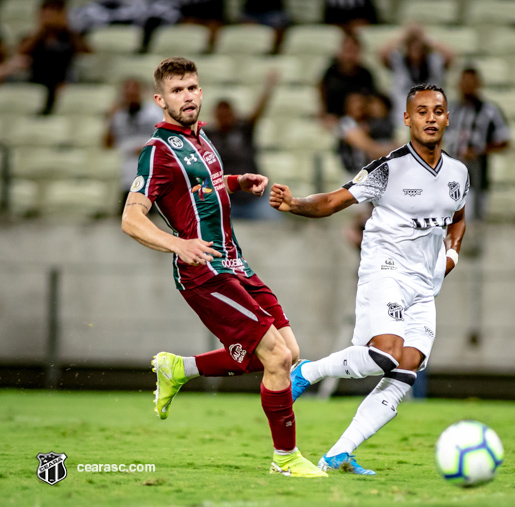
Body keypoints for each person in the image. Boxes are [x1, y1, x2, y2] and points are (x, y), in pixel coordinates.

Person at [120, 57, 325, 478]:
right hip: (204, 272)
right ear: (160, 99)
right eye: (177, 91)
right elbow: (131, 218)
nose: (188, 96)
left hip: (235, 262)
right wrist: (179, 244)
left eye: (192, 87)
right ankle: (285, 459)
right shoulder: (157, 152)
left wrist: (235, 182)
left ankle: (181, 368)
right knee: (276, 357)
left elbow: (199, 186)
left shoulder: (202, 138)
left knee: (290, 353)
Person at [269, 83, 468, 475]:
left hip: (425, 285)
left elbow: (458, 218)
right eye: (422, 112)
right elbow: (333, 201)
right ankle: (308, 371)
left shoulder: (459, 173)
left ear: (447, 117)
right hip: (385, 270)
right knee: (386, 354)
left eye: (438, 111)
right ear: (407, 119)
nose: (431, 118)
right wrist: (294, 204)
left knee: (406, 369)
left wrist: (452, 255)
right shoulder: (388, 167)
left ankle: (338, 454)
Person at [203, 71, 280, 220]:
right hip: (226, 201)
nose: (224, 118)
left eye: (228, 114)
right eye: (221, 115)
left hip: (254, 200)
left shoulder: (244, 130)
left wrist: (268, 89)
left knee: (275, 225)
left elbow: (258, 113)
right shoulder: (208, 136)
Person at [444, 67, 511, 221]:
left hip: (477, 172)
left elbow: (504, 140)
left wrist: (479, 151)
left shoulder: (489, 111)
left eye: (471, 82)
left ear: (479, 84)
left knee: (472, 218)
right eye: (464, 82)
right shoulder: (451, 110)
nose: (467, 86)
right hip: (451, 173)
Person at [17, 0, 91, 114]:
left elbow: (87, 53)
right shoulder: (32, 37)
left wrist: (68, 27)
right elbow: (22, 52)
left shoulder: (70, 37)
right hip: (36, 82)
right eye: (46, 14)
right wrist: (42, 29)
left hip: (63, 81)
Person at [105, 77, 164, 211]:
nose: (131, 95)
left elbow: (165, 137)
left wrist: (147, 148)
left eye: (134, 90)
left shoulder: (153, 112)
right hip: (127, 172)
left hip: (152, 171)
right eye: (128, 91)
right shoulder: (119, 115)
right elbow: (107, 144)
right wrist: (110, 119)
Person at [379, 23, 453, 125]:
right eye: (412, 47)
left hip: (431, 121)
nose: (416, 51)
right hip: (402, 120)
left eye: (419, 48)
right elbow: (382, 53)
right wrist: (404, 37)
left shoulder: (433, 62)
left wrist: (426, 38)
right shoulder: (399, 62)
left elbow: (450, 56)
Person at [319, 32, 376, 126]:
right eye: (347, 50)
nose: (349, 56)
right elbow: (322, 94)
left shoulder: (365, 74)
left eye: (354, 51)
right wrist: (324, 115)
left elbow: (371, 100)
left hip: (358, 120)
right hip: (333, 118)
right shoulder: (331, 72)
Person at [337, 91, 399, 175]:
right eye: (354, 102)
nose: (358, 105)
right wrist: (393, 149)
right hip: (350, 175)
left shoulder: (370, 124)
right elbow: (370, 147)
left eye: (361, 101)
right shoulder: (346, 122)